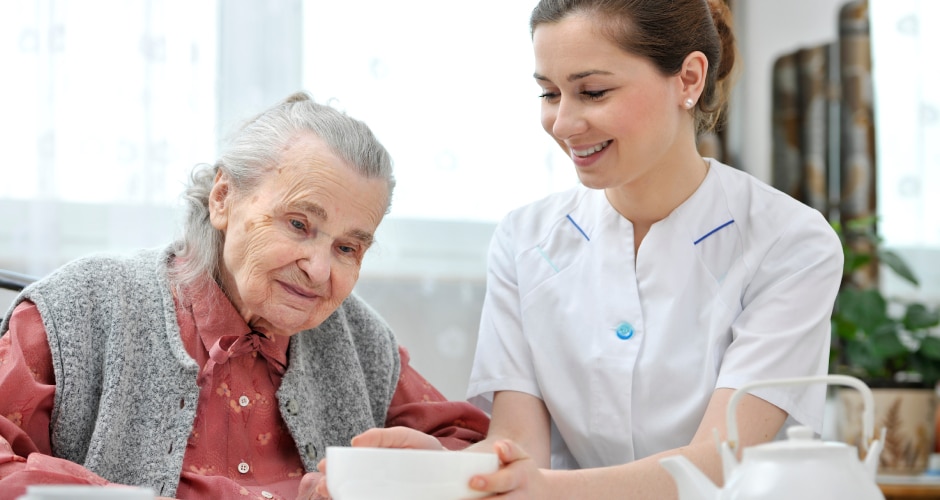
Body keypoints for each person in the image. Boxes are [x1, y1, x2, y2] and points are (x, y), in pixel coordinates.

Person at [318, 1, 844, 499]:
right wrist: (439, 469)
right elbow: (519, 448)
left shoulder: (790, 243)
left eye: (592, 92)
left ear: (688, 79)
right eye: (549, 94)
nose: (564, 124)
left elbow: (722, 462)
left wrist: (545, 489)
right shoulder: (525, 240)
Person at [0, 92, 489, 500]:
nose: (319, 270)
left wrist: (413, 477)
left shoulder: (360, 343)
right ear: (223, 198)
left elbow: (469, 447)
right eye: (299, 224)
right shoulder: (84, 308)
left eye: (347, 248)